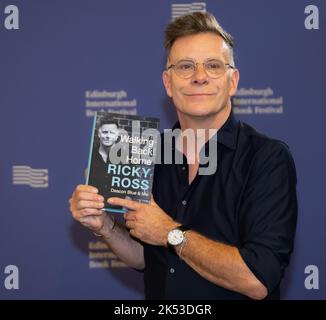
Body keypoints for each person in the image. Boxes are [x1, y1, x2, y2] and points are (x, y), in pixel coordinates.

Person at [69, 12, 297, 300]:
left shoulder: (267, 158)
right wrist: (105, 227)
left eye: (213, 66)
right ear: (168, 83)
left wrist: (171, 233)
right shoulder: (148, 152)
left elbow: (257, 280)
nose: (199, 77)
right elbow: (148, 258)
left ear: (233, 81)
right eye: (185, 66)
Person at [87, 116, 120, 203]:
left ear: (117, 136)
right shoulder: (90, 157)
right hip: (95, 210)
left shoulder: (127, 158)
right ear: (99, 134)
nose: (108, 136)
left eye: (112, 133)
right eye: (105, 132)